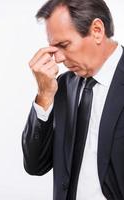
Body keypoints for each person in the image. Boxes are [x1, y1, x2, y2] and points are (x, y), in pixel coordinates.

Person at [22, 0, 124, 199]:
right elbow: (35, 165)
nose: (57, 58)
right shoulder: (62, 85)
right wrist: (44, 96)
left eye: (64, 45)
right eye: (53, 48)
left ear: (96, 30)